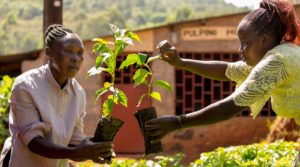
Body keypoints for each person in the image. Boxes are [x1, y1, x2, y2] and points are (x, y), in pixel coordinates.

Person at [145, 0, 300, 144]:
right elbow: (227, 70)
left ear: (264, 40)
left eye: (245, 43)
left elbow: (231, 106)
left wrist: (178, 122)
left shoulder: (278, 61)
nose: (240, 50)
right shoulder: (281, 54)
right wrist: (180, 63)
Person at [0, 24, 113, 167]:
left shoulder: (78, 93)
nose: (76, 58)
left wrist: (93, 149)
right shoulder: (26, 86)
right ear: (49, 53)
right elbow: (33, 142)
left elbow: (74, 140)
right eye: (68, 51)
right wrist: (75, 153)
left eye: (80, 53)